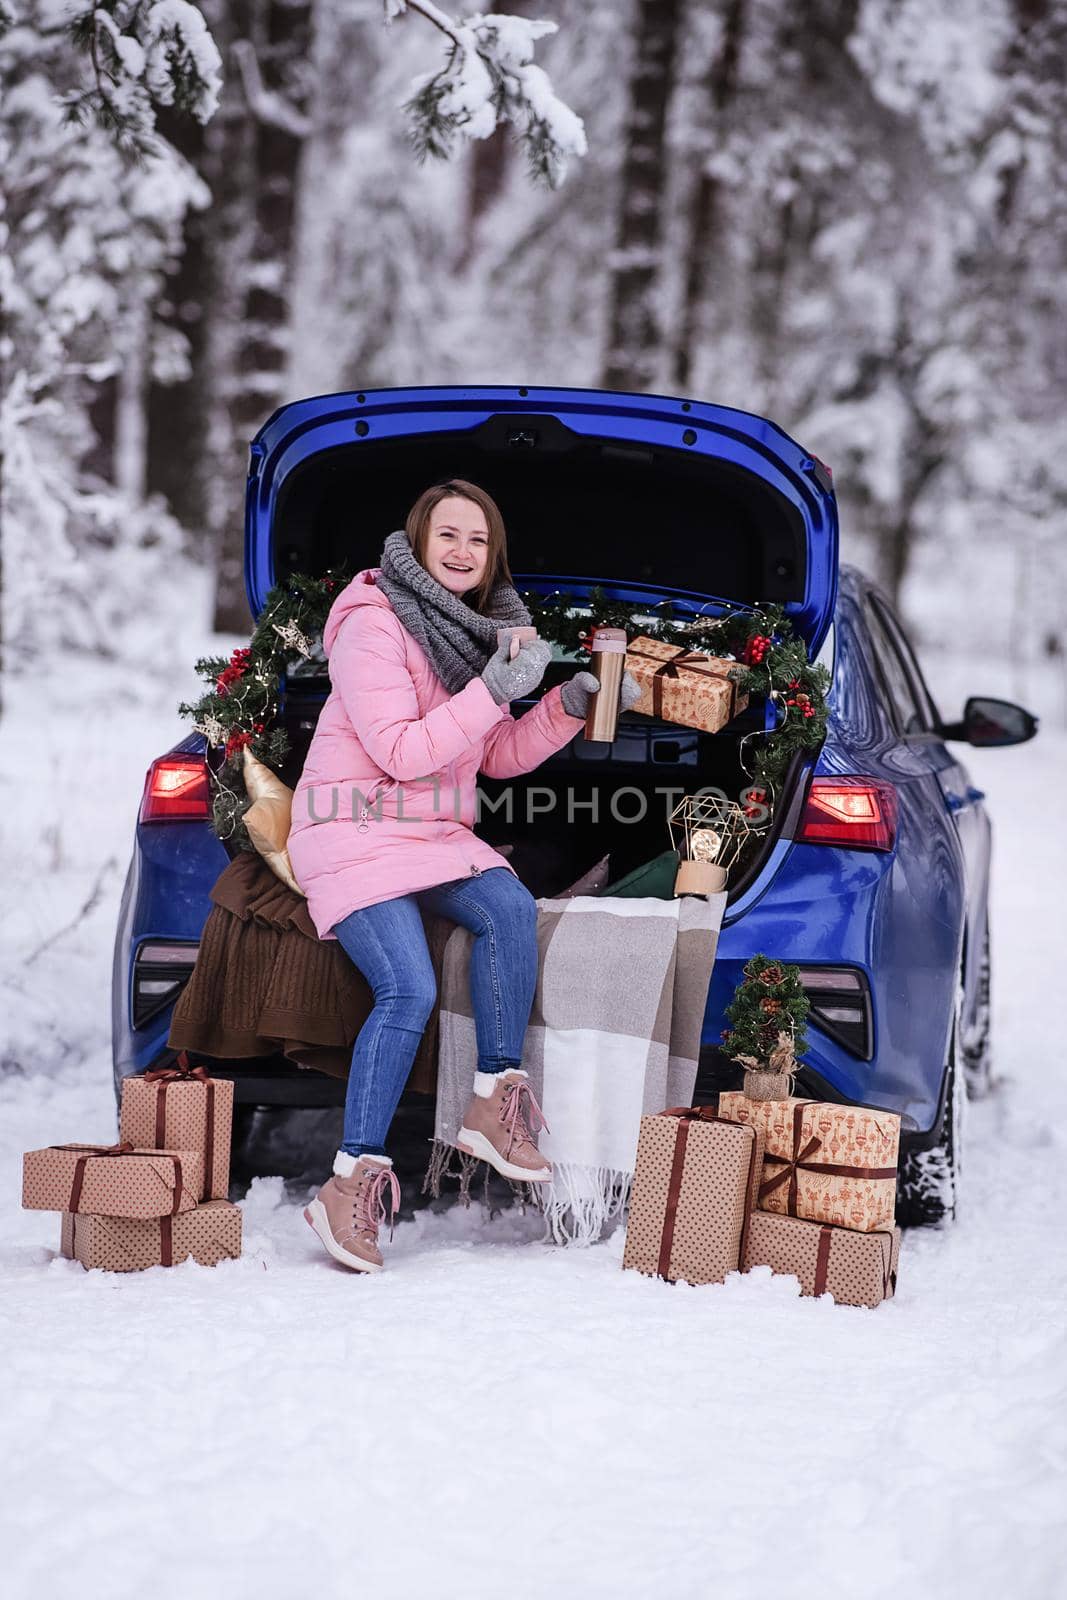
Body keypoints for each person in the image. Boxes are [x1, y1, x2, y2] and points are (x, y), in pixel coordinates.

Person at [287, 478, 640, 1272]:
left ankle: (491, 1097)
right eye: (446, 535)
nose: (461, 552)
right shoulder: (371, 624)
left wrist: (565, 707)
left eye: (477, 541)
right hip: (352, 826)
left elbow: (497, 756)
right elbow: (403, 752)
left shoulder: (485, 632)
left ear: (492, 557)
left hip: (432, 831)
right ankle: (347, 1185)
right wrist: (491, 690)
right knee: (407, 987)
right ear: (415, 544)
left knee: (509, 909)